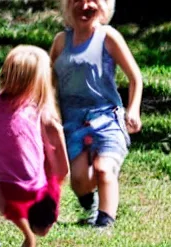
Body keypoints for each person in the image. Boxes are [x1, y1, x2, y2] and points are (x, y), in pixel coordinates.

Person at [0, 45, 70, 247]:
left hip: (31, 181)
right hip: (21, 181)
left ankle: (31, 234)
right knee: (8, 206)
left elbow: (59, 154)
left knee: (39, 225)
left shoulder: (36, 112)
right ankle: (29, 237)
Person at [51, 0, 143, 227]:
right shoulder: (61, 41)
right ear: (68, 7)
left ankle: (105, 222)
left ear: (104, 6)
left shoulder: (108, 37)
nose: (86, 6)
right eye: (78, 1)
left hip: (107, 118)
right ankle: (89, 202)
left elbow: (135, 78)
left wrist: (133, 110)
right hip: (73, 123)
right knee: (79, 181)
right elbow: (48, 80)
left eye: (93, 1)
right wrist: (49, 111)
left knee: (104, 169)